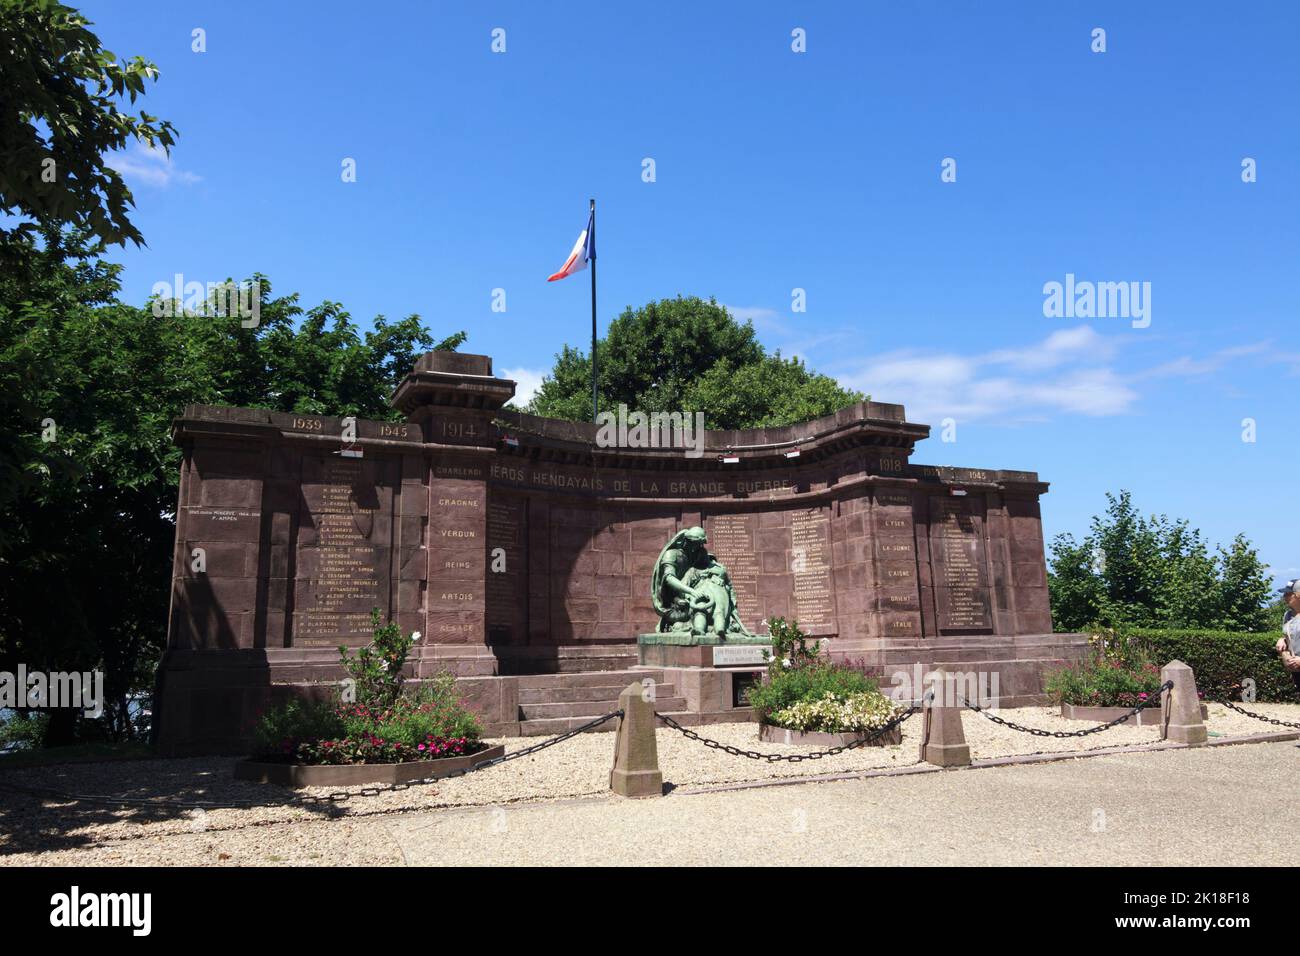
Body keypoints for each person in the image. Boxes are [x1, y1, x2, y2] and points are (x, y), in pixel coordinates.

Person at [1275, 579, 1300, 692]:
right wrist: (1283, 639)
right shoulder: (1288, 615)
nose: (1284, 597)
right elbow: (1291, 636)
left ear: (1298, 595)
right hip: (1296, 670)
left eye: (1288, 594)